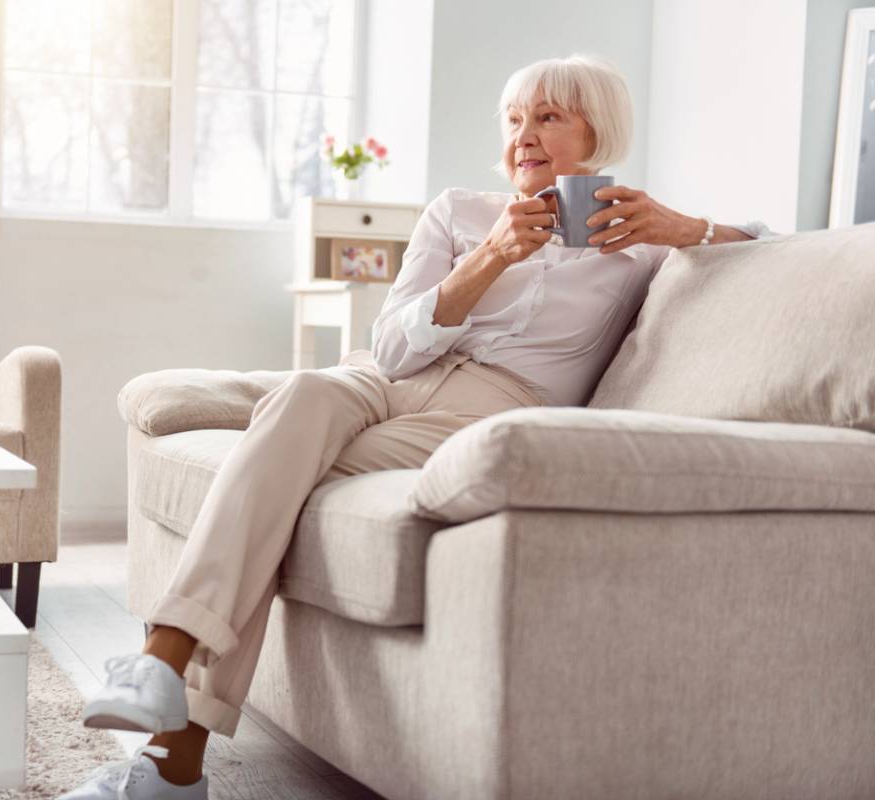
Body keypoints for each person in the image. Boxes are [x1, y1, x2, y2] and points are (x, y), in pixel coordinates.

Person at [55, 52, 776, 800]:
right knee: (302, 395)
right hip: (386, 377)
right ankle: (164, 675)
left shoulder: (641, 243)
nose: (523, 135)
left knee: (278, 477)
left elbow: (775, 252)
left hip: (494, 404)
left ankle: (170, 748)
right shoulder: (459, 211)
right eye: (513, 119)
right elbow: (394, 344)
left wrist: (688, 226)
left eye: (549, 117)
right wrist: (491, 255)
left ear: (599, 132)